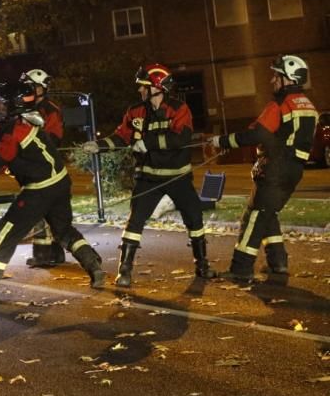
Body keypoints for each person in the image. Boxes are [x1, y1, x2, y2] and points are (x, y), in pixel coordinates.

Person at [0, 82, 106, 298]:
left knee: (6, 231)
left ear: (13, 104)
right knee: (63, 230)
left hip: (39, 189)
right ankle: (93, 265)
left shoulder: (14, 129)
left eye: (1, 104)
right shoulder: (26, 120)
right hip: (59, 182)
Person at [83, 63, 216, 286]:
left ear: (156, 87)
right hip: (148, 177)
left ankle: (202, 264)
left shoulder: (179, 109)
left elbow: (181, 138)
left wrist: (148, 142)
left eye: (143, 86)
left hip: (177, 177)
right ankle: (124, 270)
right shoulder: (135, 111)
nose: (139, 90)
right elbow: (122, 136)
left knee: (194, 217)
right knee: (135, 221)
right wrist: (99, 145)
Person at [209, 55, 317, 281]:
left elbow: (257, 134)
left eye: (276, 76)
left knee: (254, 216)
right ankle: (278, 263)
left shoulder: (279, 104)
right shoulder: (308, 106)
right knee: (269, 213)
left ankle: (241, 269)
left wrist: (223, 141)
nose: (272, 80)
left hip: (275, 168)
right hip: (294, 169)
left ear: (288, 79)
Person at [19, 69, 67, 269]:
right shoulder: (25, 107)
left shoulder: (49, 109)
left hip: (45, 166)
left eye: (30, 86)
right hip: (33, 165)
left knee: (38, 209)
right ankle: (56, 252)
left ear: (40, 88)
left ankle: (43, 254)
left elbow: (54, 137)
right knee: (49, 212)